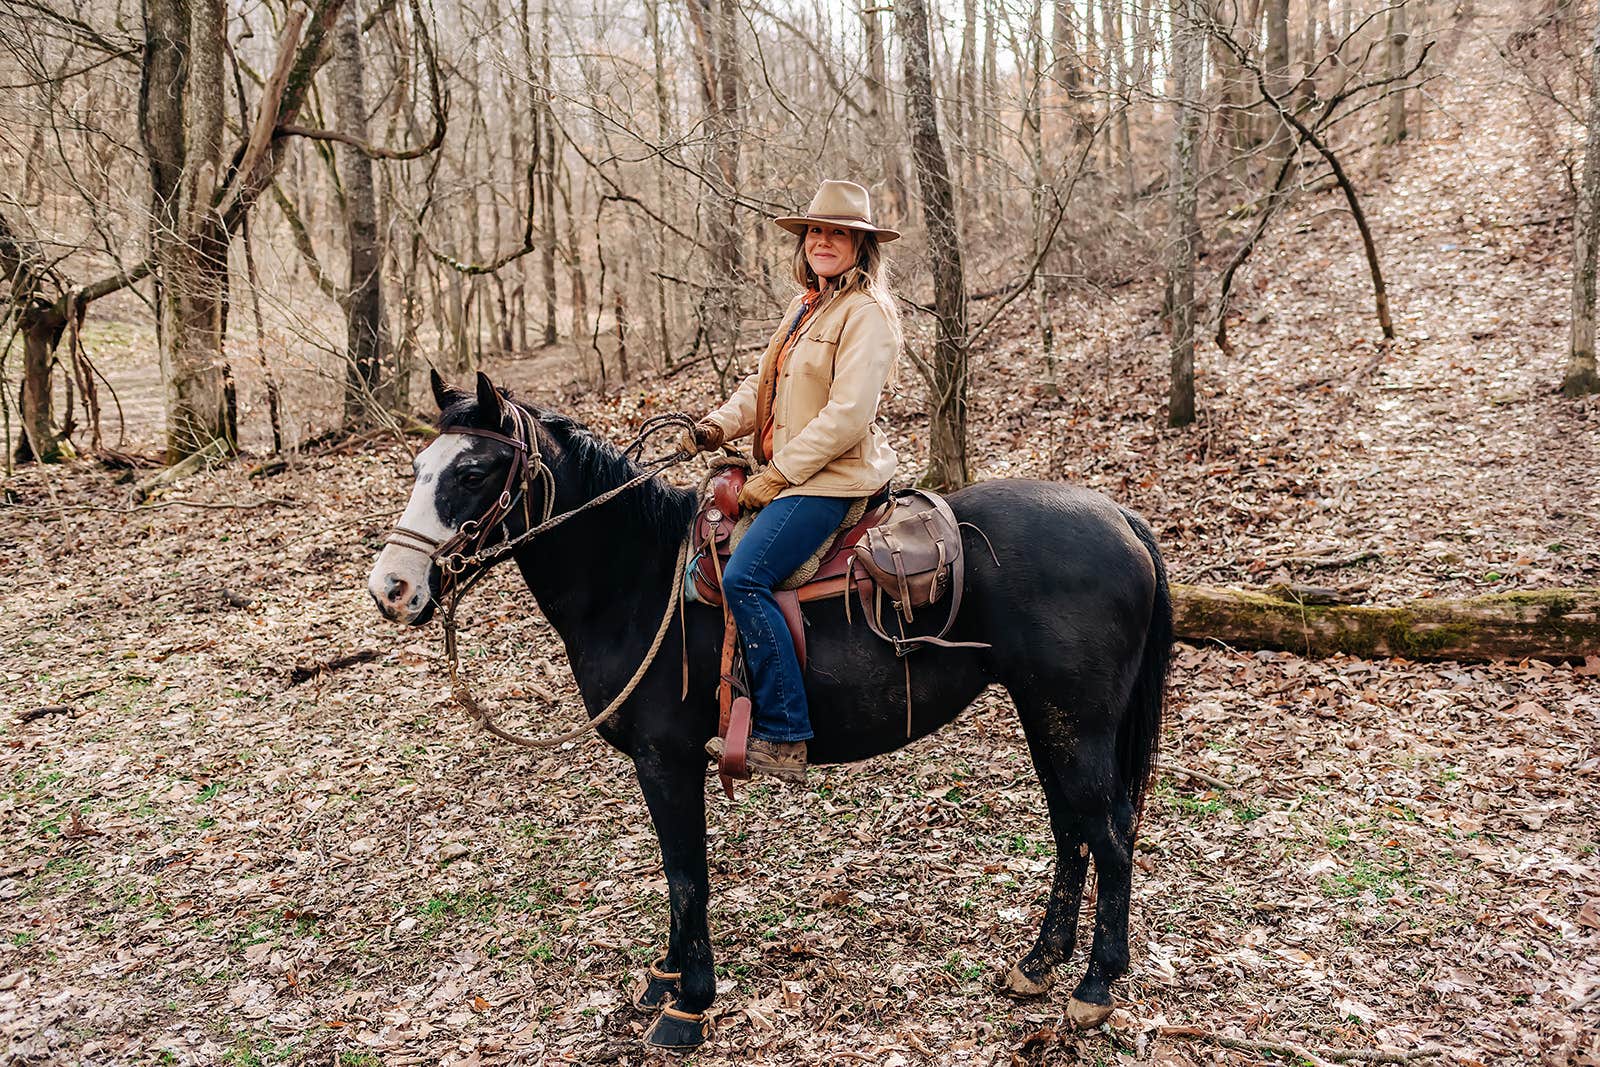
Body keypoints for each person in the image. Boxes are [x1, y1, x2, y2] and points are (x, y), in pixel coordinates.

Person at [681, 179, 902, 783]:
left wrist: (775, 477)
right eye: (816, 232)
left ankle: (784, 731)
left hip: (831, 479)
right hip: (792, 472)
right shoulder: (806, 308)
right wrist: (713, 428)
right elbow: (765, 390)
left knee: (747, 576)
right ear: (804, 243)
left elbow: (847, 414)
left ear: (861, 246)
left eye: (840, 233)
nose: (824, 242)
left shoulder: (867, 315)